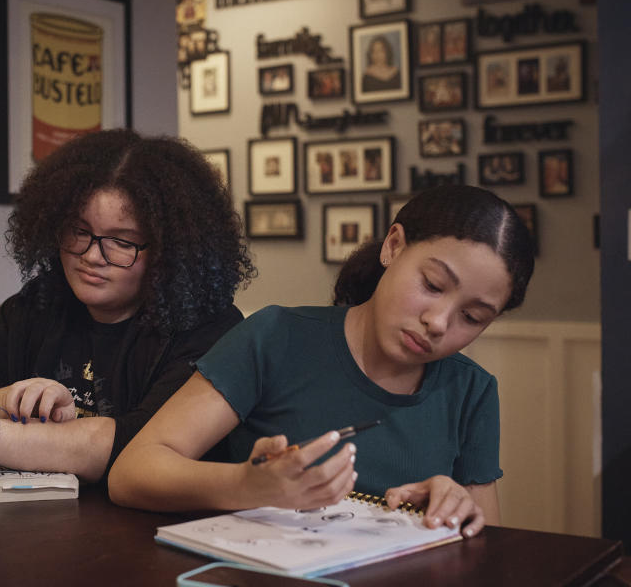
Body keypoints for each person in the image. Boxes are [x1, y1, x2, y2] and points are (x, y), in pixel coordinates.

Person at [109, 185, 534, 540]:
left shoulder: (471, 391)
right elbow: (132, 472)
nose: (438, 323)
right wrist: (247, 485)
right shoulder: (277, 337)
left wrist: (454, 506)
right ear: (393, 246)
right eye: (432, 284)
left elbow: (487, 547)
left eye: (473, 317)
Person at [0, 129, 256, 486]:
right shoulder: (40, 303)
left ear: (170, 253)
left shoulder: (209, 331)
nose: (92, 255)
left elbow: (131, 446)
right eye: (79, 231)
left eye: (121, 241)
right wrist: (15, 396)